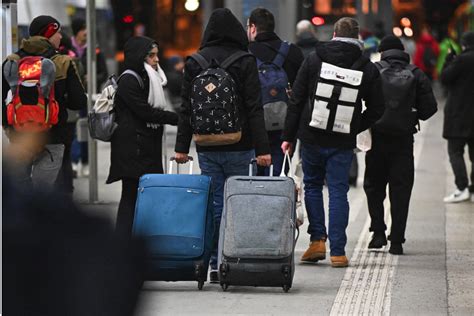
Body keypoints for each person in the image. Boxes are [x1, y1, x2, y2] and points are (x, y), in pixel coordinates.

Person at [174, 8, 271, 282]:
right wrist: (264, 150)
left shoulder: (194, 61)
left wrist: (182, 147)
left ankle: (215, 263)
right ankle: (233, 260)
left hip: (206, 145)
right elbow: (254, 109)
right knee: (237, 202)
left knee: (215, 203)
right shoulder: (245, 60)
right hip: (241, 144)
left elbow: (186, 108)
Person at [281, 17, 384, 267]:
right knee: (339, 190)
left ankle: (317, 241)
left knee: (314, 186)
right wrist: (353, 125)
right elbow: (377, 107)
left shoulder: (315, 58)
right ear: (357, 37)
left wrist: (288, 137)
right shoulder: (366, 66)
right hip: (342, 140)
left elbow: (296, 100)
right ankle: (338, 251)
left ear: (334, 34)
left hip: (312, 135)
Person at [364, 35, 437, 255]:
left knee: (374, 187)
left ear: (383, 51)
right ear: (402, 51)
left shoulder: (373, 70)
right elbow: (430, 108)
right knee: (401, 189)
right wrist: (411, 114)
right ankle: (396, 241)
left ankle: (378, 231)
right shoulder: (416, 74)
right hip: (403, 140)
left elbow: (360, 99)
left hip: (377, 138)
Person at [2, 15, 87, 195]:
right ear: (48, 34)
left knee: (20, 193)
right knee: (45, 196)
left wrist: (8, 126)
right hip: (54, 137)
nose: (61, 37)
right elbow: (79, 101)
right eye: (57, 33)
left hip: (20, 136)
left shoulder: (12, 61)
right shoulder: (63, 62)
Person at [106, 36, 179, 236]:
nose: (156, 60)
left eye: (156, 55)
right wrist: (176, 118)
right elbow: (145, 112)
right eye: (151, 55)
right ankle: (122, 243)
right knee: (130, 195)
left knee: (144, 196)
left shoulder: (148, 77)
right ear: (139, 56)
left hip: (144, 147)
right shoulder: (130, 79)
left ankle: (139, 242)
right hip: (132, 149)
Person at [247, 7, 304, 176]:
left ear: (253, 28)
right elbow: (302, 91)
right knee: (278, 179)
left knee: (253, 181)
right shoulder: (293, 52)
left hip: (254, 128)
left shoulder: (245, 53)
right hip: (286, 128)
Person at [70, 17, 109, 176]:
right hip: (72, 95)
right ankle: (73, 160)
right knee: (73, 128)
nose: (85, 32)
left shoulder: (94, 49)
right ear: (76, 31)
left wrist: (92, 79)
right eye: (82, 29)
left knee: (86, 128)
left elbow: (103, 72)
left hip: (89, 95)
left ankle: (85, 161)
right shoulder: (67, 47)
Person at [440, 31, 474, 203]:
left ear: (464, 44)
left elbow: (445, 78)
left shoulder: (462, 60)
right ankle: (473, 189)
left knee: (455, 151)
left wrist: (448, 61)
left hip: (459, 115)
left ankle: (462, 188)